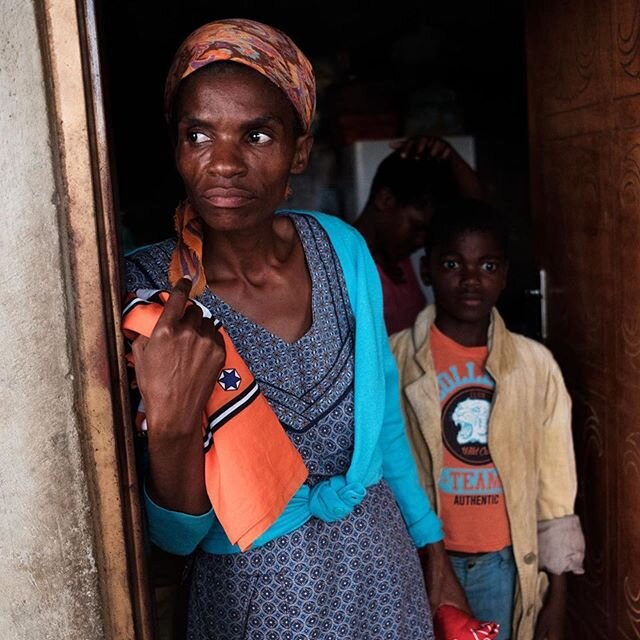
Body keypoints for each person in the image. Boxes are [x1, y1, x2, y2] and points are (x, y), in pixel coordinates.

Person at [123, 18, 469, 639]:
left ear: (299, 150)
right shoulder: (148, 291)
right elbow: (177, 537)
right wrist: (174, 424)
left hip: (383, 575)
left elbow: (385, 423)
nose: (223, 163)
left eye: (256, 134)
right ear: (176, 148)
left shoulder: (341, 249)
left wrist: (434, 556)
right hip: (252, 602)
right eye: (197, 134)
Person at [390, 199, 585, 640]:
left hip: (505, 564)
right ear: (427, 271)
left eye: (488, 265)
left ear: (505, 275)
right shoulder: (394, 359)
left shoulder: (535, 367)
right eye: (453, 263)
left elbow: (555, 487)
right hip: (416, 562)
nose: (471, 279)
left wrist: (557, 594)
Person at [354, 137, 485, 334]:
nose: (422, 240)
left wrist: (450, 155)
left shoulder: (396, 259)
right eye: (417, 226)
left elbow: (476, 215)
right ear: (386, 199)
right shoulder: (345, 264)